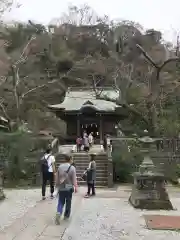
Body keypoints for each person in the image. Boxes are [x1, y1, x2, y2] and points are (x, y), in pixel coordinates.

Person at [55, 154, 77, 225]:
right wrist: (76, 187)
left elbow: (57, 178)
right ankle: (66, 216)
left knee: (61, 201)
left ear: (64, 159)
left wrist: (57, 185)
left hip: (61, 186)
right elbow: (74, 179)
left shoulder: (60, 167)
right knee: (68, 201)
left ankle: (59, 212)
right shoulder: (72, 168)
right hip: (69, 186)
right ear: (70, 159)